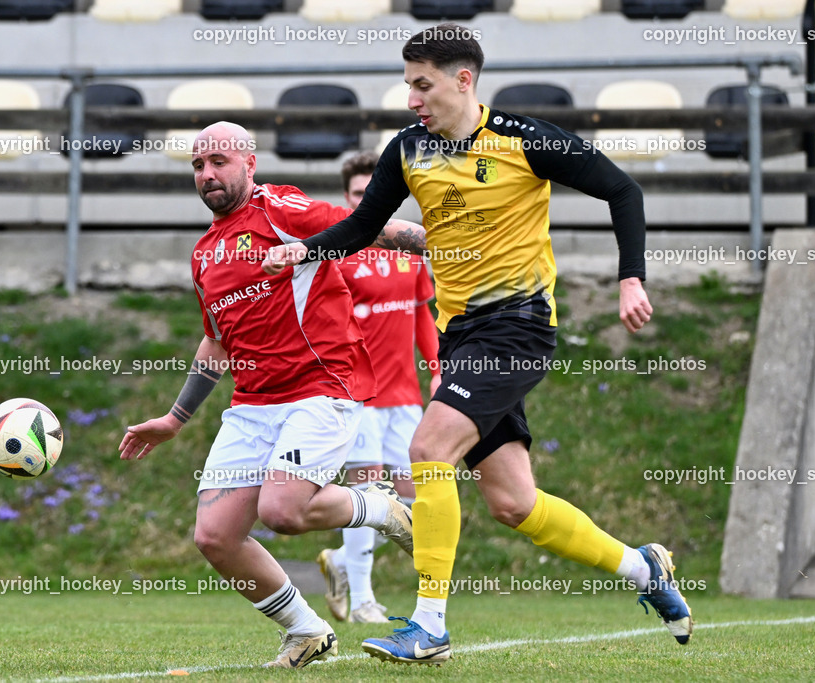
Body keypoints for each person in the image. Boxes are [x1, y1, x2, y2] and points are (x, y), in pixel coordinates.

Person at [262, 23, 692, 664]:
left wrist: (632, 277)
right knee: (513, 503)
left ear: (463, 80)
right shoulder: (408, 150)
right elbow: (361, 226)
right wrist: (304, 250)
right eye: (408, 85)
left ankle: (429, 624)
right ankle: (644, 570)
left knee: (428, 447)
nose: (411, 99)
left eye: (422, 85)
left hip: (517, 327)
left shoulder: (523, 141)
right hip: (460, 333)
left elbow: (622, 190)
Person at [118, 121, 426, 669]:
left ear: (249, 164)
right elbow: (216, 342)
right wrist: (175, 417)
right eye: (198, 165)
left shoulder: (280, 210)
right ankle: (307, 632)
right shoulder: (204, 254)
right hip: (253, 404)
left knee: (281, 510)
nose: (207, 173)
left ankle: (379, 507)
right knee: (215, 536)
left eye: (219, 161)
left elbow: (365, 225)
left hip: (322, 387)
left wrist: (453, 246)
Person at [316, 151, 441, 625]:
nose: (362, 200)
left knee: (408, 498)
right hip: (356, 397)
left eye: (370, 192)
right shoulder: (337, 252)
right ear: (344, 198)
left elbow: (422, 315)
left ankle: (343, 563)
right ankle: (364, 599)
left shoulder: (408, 248)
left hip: (405, 396)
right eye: (354, 194)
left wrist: (436, 367)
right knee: (366, 492)